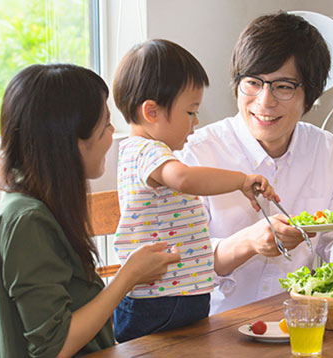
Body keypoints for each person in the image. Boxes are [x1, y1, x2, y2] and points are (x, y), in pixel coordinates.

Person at [176, 11, 333, 315]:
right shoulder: (195, 154)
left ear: (309, 94)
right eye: (253, 83)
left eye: (283, 86)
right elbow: (182, 265)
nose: (264, 101)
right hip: (214, 327)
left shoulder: (329, 152)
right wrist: (249, 242)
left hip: (298, 323)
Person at [0, 63, 181, 357]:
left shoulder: (31, 205)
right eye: (105, 126)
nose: (112, 134)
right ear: (72, 144)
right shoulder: (27, 222)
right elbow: (54, 347)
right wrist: (128, 278)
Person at [111, 39, 278, 342]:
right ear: (151, 112)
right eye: (190, 112)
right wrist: (240, 180)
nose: (196, 122)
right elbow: (185, 179)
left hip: (181, 295)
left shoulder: (151, 152)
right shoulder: (145, 151)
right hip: (157, 301)